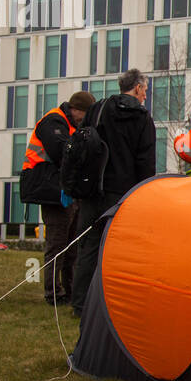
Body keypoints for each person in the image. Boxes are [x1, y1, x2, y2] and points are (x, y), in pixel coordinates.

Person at [71, 69, 156, 316]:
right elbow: (145, 162)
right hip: (123, 194)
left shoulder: (98, 109)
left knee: (89, 247)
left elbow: (80, 145)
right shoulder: (141, 118)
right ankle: (114, 303)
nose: (145, 97)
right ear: (138, 88)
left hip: (92, 190)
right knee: (121, 251)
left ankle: (80, 304)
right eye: (145, 92)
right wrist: (145, 194)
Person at [20, 90, 95, 304]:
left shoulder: (72, 126)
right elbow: (61, 152)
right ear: (76, 110)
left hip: (65, 190)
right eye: (85, 114)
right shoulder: (53, 121)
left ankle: (70, 291)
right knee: (58, 243)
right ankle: (53, 293)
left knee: (71, 244)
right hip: (50, 190)